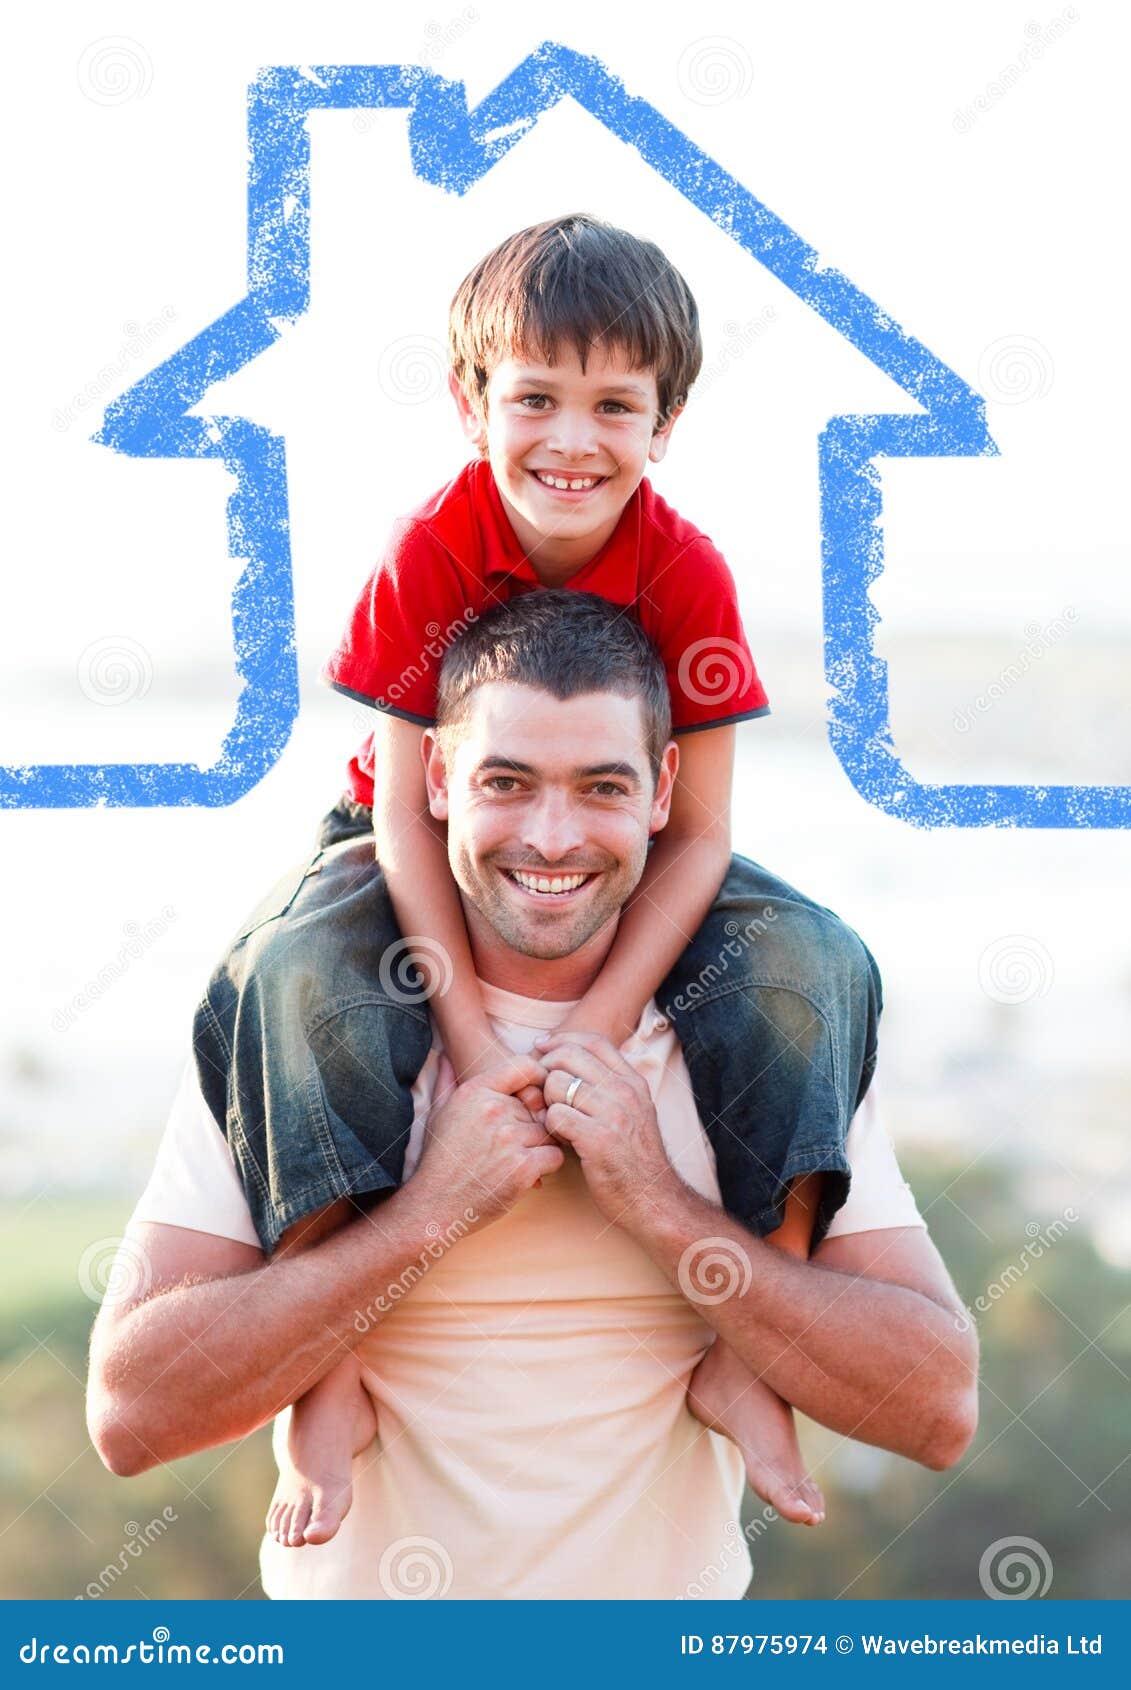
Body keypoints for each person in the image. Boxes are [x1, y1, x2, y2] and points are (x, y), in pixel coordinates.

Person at [192, 213, 881, 1542]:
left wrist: (592, 1032)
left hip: (633, 847)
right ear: (470, 402)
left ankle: (752, 1344)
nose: (571, 439)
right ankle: (324, 1377)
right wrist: (471, 1038)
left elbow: (699, 835)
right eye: (535, 399)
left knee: (814, 965)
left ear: (663, 421)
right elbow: (399, 815)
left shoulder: (685, 572)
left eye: (613, 404)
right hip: (403, 834)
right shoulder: (428, 552)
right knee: (289, 978)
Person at [87, 594, 978, 1602]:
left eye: (602, 786)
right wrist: (427, 1216)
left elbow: (935, 1403)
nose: (553, 838)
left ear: (662, 790)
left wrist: (660, 1205)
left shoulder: (757, 1028)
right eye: (506, 782)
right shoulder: (315, 1018)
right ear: (435, 780)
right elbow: (134, 1412)